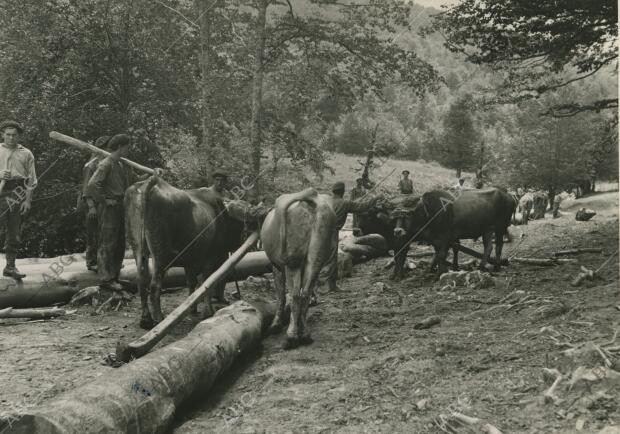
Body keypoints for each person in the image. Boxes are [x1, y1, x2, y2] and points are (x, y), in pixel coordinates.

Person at [86, 134, 136, 291]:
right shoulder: (106, 164)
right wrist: (105, 200)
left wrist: (152, 174)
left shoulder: (122, 164)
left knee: (120, 243)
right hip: (110, 208)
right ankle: (105, 279)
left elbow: (135, 179)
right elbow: (93, 185)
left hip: (121, 206)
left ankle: (115, 276)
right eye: (127, 146)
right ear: (120, 147)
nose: (129, 149)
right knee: (108, 242)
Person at [318, 182, 373, 294]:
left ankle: (332, 285)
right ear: (343, 192)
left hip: (320, 232)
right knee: (329, 259)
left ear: (333, 191)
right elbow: (361, 207)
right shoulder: (344, 203)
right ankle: (323, 287)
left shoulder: (327, 200)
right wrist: (374, 199)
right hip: (331, 232)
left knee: (329, 258)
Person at [0, 120, 37, 279]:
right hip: (1, 191)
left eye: (14, 135)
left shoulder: (26, 153)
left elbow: (31, 180)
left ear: (19, 136)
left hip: (17, 192)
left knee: (14, 231)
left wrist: (27, 200)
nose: (11, 138)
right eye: (7, 135)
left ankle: (10, 267)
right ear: (2, 134)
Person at [77, 135, 110, 271]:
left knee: (104, 233)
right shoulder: (91, 165)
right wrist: (91, 207)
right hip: (91, 204)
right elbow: (87, 188)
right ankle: (92, 262)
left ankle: (104, 261)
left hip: (102, 203)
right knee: (93, 233)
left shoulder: (108, 163)